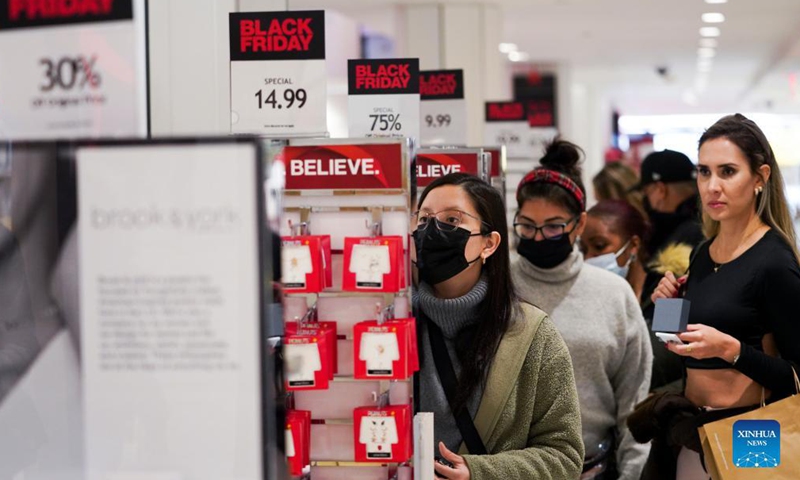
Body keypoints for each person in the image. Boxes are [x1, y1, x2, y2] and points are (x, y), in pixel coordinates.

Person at [637, 114, 800, 480]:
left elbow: (797, 374)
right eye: (704, 172)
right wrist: (671, 309)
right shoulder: (702, 253)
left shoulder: (773, 261)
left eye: (727, 172)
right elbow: (686, 348)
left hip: (753, 432)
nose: (712, 186)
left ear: (760, 178)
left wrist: (733, 351)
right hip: (694, 431)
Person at [411, 173, 584, 480]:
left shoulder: (533, 335)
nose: (433, 230)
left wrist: (481, 472)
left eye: (452, 220)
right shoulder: (393, 326)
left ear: (488, 244)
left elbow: (564, 455)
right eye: (424, 220)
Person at [510, 139, 652, 480]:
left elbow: (634, 401)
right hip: (507, 468)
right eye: (527, 226)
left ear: (579, 223)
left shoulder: (612, 293)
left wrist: (632, 474)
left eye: (554, 226)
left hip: (593, 468)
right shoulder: (497, 285)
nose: (540, 238)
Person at [635, 150, 704, 316]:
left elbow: (665, 321)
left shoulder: (679, 239)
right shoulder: (708, 227)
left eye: (646, 193)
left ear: (660, 190)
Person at [582, 199, 649, 301]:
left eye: (599, 246)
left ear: (633, 245)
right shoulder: (589, 297)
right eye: (583, 249)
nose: (587, 258)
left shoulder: (663, 294)